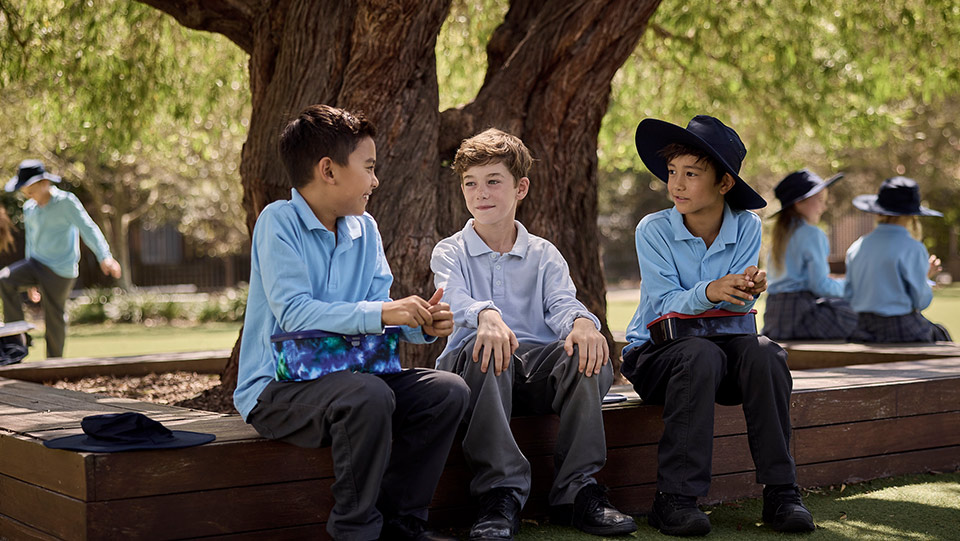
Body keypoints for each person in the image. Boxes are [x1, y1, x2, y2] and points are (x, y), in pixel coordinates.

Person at [232, 104, 470, 541]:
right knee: (367, 394)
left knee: (447, 392)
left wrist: (420, 323)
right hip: (278, 389)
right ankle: (355, 531)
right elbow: (295, 313)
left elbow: (379, 309)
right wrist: (383, 312)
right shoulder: (277, 223)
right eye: (369, 166)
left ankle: (402, 524)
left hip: (355, 381)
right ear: (329, 170)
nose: (376, 180)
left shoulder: (366, 229)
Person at [431, 128, 636, 540]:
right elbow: (452, 299)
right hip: (472, 370)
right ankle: (499, 493)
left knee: (588, 351)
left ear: (520, 187)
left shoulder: (544, 254)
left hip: (534, 369)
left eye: (493, 181)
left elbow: (562, 304)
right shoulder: (450, 250)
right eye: (470, 183)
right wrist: (485, 313)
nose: (480, 193)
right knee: (485, 345)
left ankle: (576, 491)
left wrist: (583, 323)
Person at [620, 115, 815, 536]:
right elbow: (662, 305)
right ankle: (674, 500)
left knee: (767, 353)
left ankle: (782, 492)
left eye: (691, 174)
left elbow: (736, 308)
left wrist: (749, 288)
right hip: (655, 356)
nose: (677, 184)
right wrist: (711, 291)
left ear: (724, 184)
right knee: (699, 353)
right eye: (673, 172)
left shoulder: (747, 225)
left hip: (721, 354)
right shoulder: (652, 230)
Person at [1, 160, 122, 358]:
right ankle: (16, 345)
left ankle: (54, 364)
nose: (25, 191)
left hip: (60, 269)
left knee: (53, 315)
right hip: (35, 264)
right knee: (5, 280)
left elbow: (88, 228)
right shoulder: (30, 208)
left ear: (44, 183)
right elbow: (32, 241)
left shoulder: (66, 202)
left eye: (28, 186)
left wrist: (105, 257)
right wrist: (30, 280)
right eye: (23, 187)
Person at [844, 176, 951, 343]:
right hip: (900, 328)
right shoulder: (913, 248)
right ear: (911, 216)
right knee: (941, 334)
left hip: (862, 328)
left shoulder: (857, 246)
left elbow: (849, 294)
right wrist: (924, 279)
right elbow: (920, 301)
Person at [763, 169, 857, 340]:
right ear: (799, 203)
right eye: (820, 200)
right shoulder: (812, 234)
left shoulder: (780, 235)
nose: (824, 207)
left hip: (774, 317)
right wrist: (851, 286)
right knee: (860, 313)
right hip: (802, 315)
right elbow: (820, 286)